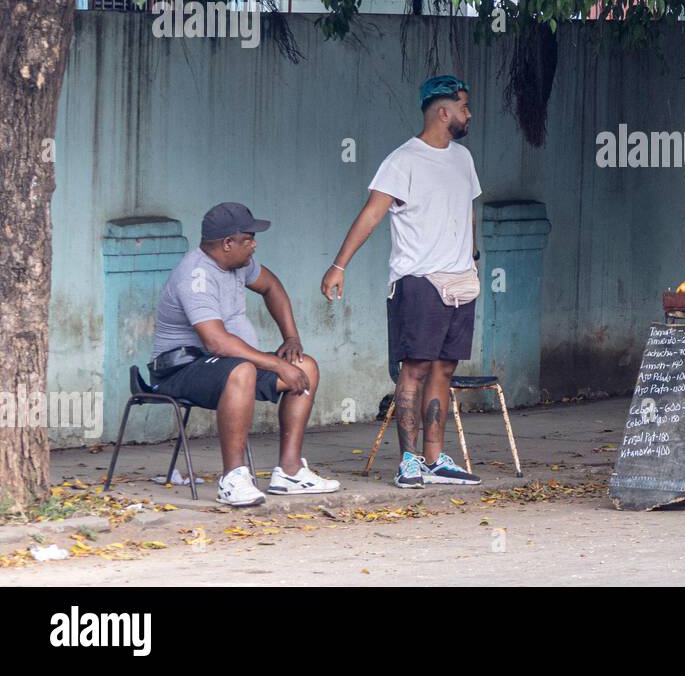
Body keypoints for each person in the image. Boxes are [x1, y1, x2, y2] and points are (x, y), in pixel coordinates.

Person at [322, 75, 483, 489]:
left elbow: (466, 209)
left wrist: (474, 255)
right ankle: (408, 461)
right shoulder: (403, 160)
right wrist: (339, 265)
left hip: (460, 280)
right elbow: (372, 214)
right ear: (442, 111)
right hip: (418, 281)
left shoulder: (463, 159)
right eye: (463, 106)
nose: (468, 114)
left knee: (444, 369)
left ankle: (435, 459)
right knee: (414, 369)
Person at [150, 202, 340, 507]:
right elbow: (216, 343)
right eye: (248, 238)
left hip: (228, 363)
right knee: (243, 370)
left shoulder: (239, 264)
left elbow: (272, 287)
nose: (254, 244)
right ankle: (233, 478)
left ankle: (290, 472)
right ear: (227, 243)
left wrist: (291, 337)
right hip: (181, 368)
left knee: (306, 367)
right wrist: (277, 364)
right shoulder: (196, 275)